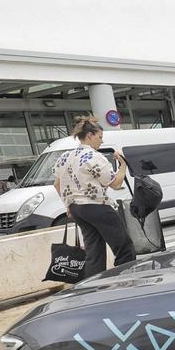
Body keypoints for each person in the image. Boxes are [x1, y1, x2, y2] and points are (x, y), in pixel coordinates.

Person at [53, 118, 135, 278]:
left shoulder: (64, 157)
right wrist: (123, 165)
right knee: (123, 246)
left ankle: (93, 286)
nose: (101, 140)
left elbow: (57, 184)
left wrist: (68, 205)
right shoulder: (94, 156)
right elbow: (116, 184)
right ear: (90, 135)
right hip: (97, 206)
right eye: (99, 137)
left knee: (94, 251)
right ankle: (127, 278)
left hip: (77, 209)